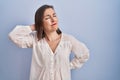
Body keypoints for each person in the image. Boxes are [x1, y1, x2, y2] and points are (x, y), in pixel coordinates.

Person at [9, 4, 89, 80]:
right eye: (47, 18)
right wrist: (35, 26)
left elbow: (84, 54)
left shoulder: (68, 40)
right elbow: (13, 35)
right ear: (41, 22)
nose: (53, 19)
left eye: (54, 15)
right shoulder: (36, 40)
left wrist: (69, 66)